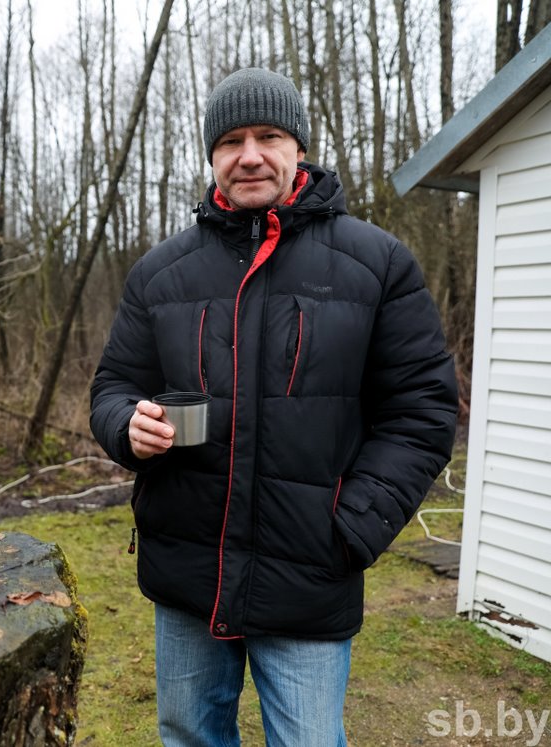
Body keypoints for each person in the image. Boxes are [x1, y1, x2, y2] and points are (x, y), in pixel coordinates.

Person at [89, 67, 458, 746]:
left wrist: (352, 527)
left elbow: (423, 412)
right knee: (189, 735)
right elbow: (113, 386)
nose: (250, 154)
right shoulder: (161, 273)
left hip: (310, 574)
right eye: (230, 140)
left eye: (268, 136)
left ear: (299, 149)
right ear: (211, 156)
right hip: (187, 573)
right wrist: (125, 425)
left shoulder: (378, 264)